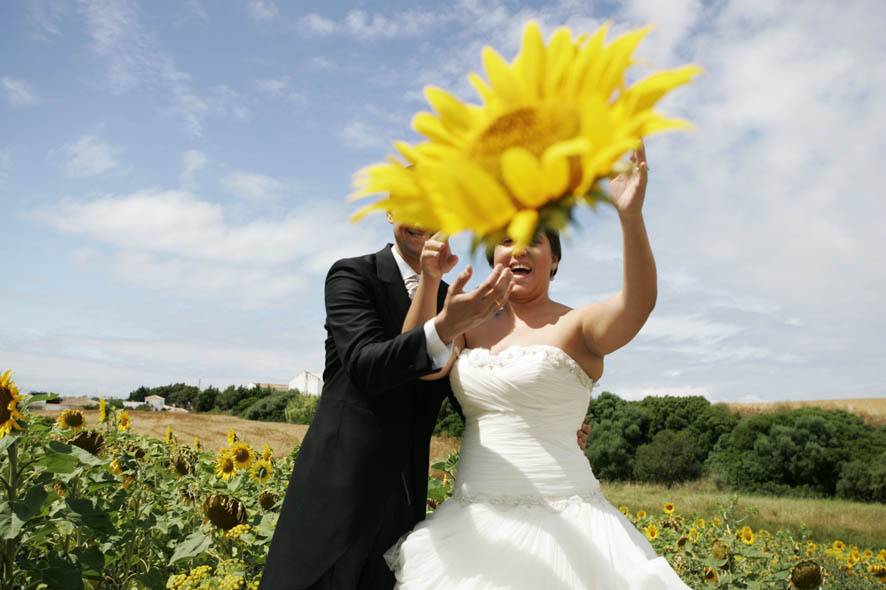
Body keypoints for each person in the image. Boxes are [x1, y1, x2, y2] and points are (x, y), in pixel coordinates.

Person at [386, 144, 694, 589]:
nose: (518, 251)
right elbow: (417, 363)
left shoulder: (577, 325)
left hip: (568, 520)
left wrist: (630, 215)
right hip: (472, 525)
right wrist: (431, 280)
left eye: (534, 241)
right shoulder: (468, 325)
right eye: (506, 241)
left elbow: (638, 305)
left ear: (555, 261)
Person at [259, 216, 592, 590]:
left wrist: (552, 424)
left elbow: (478, 394)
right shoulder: (353, 275)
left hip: (405, 509)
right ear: (389, 211)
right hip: (336, 497)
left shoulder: (459, 303)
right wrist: (444, 326)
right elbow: (367, 365)